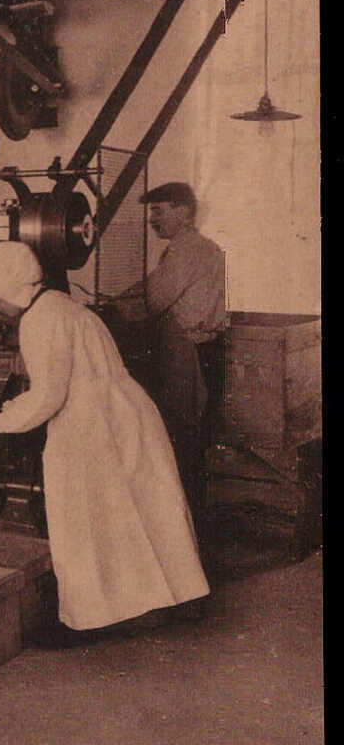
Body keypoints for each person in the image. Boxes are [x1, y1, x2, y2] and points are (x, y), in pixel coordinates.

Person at [0, 241, 208, 647]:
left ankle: (91, 617)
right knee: (140, 514)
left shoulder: (38, 320)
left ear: (10, 287)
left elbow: (49, 395)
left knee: (85, 521)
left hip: (90, 426)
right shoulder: (61, 304)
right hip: (125, 415)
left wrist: (0, 420)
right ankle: (157, 604)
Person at [111, 182, 227, 541]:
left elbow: (154, 299)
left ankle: (182, 531)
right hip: (195, 350)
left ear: (185, 212)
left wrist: (107, 310)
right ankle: (187, 526)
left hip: (189, 352)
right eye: (151, 211)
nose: (152, 219)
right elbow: (151, 289)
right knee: (186, 438)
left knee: (180, 438)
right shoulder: (194, 248)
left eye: (159, 210)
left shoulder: (188, 249)